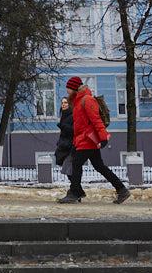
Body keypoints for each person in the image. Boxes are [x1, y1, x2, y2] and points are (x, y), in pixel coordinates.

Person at [58, 76, 131, 204]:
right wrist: (75, 142)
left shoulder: (87, 100)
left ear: (75, 88)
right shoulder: (76, 101)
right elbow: (78, 125)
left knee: (76, 164)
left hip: (88, 140)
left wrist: (103, 137)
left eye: (69, 88)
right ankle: (121, 190)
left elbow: (96, 120)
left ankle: (75, 192)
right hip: (82, 139)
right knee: (99, 166)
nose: (67, 91)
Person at [54, 96, 86, 199]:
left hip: (71, 147)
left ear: (70, 104)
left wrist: (63, 126)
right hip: (65, 146)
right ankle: (79, 191)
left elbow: (74, 130)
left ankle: (76, 191)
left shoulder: (72, 115)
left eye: (66, 103)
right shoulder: (64, 116)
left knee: (68, 169)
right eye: (62, 103)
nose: (63, 104)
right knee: (68, 170)